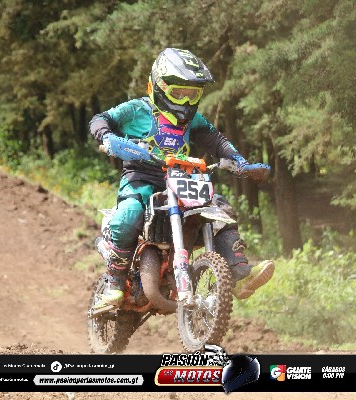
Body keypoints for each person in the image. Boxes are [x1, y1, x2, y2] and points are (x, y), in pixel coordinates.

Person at [89, 48, 275, 310]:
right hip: (142, 178)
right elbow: (101, 119)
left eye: (192, 94)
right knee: (129, 214)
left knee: (221, 209)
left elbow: (216, 141)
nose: (186, 101)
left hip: (181, 180)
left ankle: (240, 274)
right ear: (159, 86)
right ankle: (115, 283)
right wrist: (107, 137)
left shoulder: (193, 120)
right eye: (179, 93)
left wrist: (241, 163)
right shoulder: (137, 110)